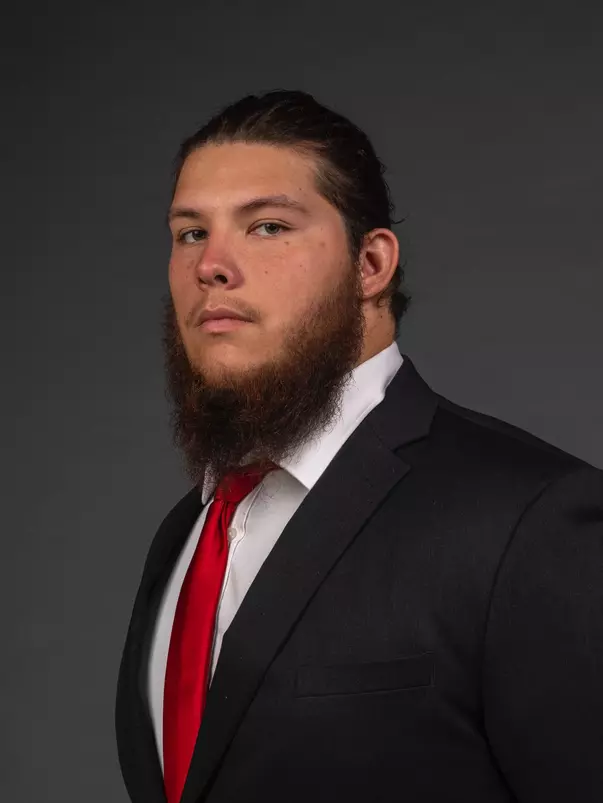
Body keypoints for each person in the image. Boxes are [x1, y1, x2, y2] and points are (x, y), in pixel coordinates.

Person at [115, 89, 603, 803]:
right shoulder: (184, 535)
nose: (211, 265)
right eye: (190, 233)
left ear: (370, 265)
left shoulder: (531, 522)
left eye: (267, 226)